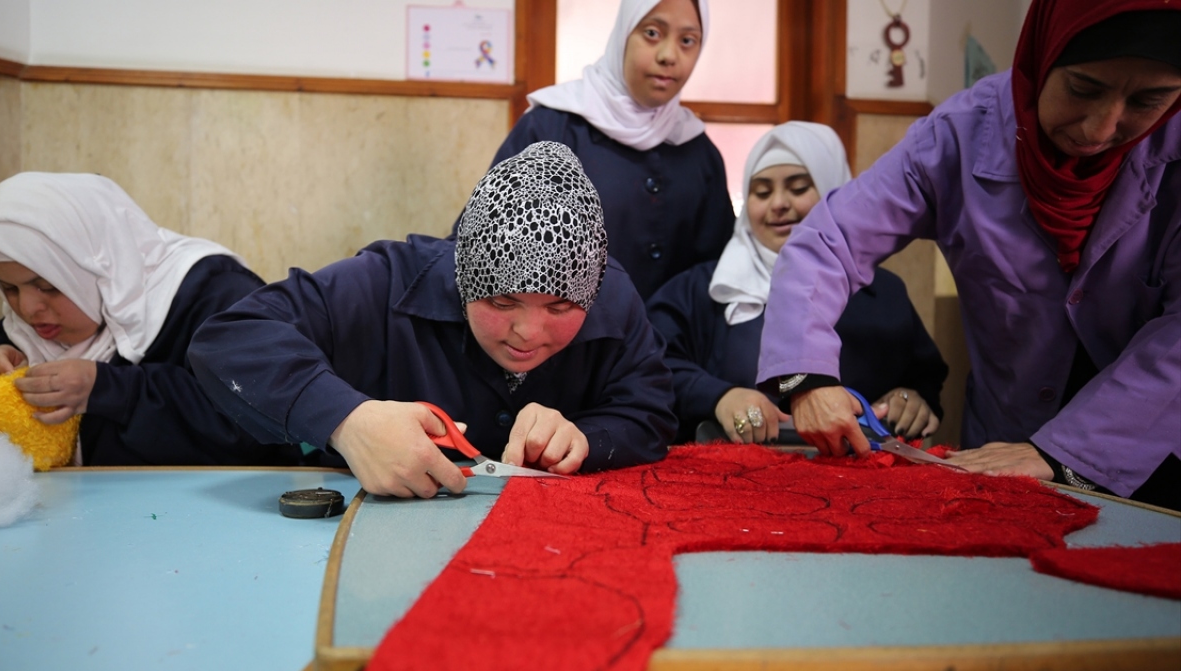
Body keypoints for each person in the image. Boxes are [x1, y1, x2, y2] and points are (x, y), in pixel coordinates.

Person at [755, 0, 1181, 509]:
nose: (1100, 129)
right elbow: (829, 241)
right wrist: (806, 376)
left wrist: (1069, 453)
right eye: (1083, 89)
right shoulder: (959, 134)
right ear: (1043, 54)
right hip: (1003, 440)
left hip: (1149, 454)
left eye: (1149, 100)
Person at [188, 142, 676, 499]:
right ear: (465, 276)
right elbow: (229, 338)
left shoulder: (613, 296)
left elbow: (651, 411)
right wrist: (345, 420)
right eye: (503, 302)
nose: (528, 332)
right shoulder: (385, 283)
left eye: (559, 308)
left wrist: (587, 438)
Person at [0, 172, 305, 467]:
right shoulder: (26, 328)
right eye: (8, 289)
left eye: (48, 286)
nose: (28, 309)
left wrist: (106, 389)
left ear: (96, 266)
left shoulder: (216, 293)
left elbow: (254, 427)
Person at [648, 122, 947, 444]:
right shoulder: (703, 289)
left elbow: (924, 378)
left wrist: (911, 399)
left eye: (799, 188)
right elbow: (652, 364)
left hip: (858, 467)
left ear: (835, 194)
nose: (778, 203)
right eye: (762, 192)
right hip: (729, 468)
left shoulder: (884, 291)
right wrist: (720, 397)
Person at [487, 0, 733, 299]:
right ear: (623, 35)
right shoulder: (550, 129)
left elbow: (716, 271)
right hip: (562, 328)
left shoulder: (697, 150)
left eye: (687, 41)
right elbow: (485, 250)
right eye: (652, 33)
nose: (669, 55)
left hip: (671, 331)